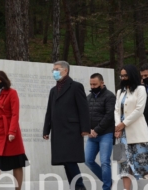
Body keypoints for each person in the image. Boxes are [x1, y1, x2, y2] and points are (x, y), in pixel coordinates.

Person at [114, 65, 148, 190]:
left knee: (145, 161)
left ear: (131, 75)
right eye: (122, 75)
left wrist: (123, 124)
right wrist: (117, 127)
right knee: (123, 163)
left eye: (126, 75)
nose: (123, 78)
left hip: (137, 132)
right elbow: (116, 110)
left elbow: (139, 110)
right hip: (120, 133)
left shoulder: (140, 89)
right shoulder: (119, 92)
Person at [43, 61, 90, 190]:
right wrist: (46, 129)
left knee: (70, 161)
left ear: (65, 70)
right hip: (58, 131)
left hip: (71, 131)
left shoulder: (76, 86)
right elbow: (49, 111)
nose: (54, 72)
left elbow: (83, 109)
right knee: (65, 162)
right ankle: (75, 186)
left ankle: (79, 187)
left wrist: (85, 128)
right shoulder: (53, 90)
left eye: (57, 69)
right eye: (53, 70)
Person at [0, 71, 28, 190]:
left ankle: (18, 189)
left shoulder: (12, 93)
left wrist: (12, 132)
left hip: (10, 131)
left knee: (17, 163)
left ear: (4, 81)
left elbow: (15, 114)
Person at [85, 73, 115, 190]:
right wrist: (88, 130)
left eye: (95, 84)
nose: (92, 86)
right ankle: (108, 180)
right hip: (91, 135)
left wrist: (97, 130)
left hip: (105, 134)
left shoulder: (110, 96)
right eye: (91, 84)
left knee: (105, 162)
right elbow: (85, 115)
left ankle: (106, 187)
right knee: (88, 160)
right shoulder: (88, 97)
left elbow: (109, 115)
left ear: (102, 83)